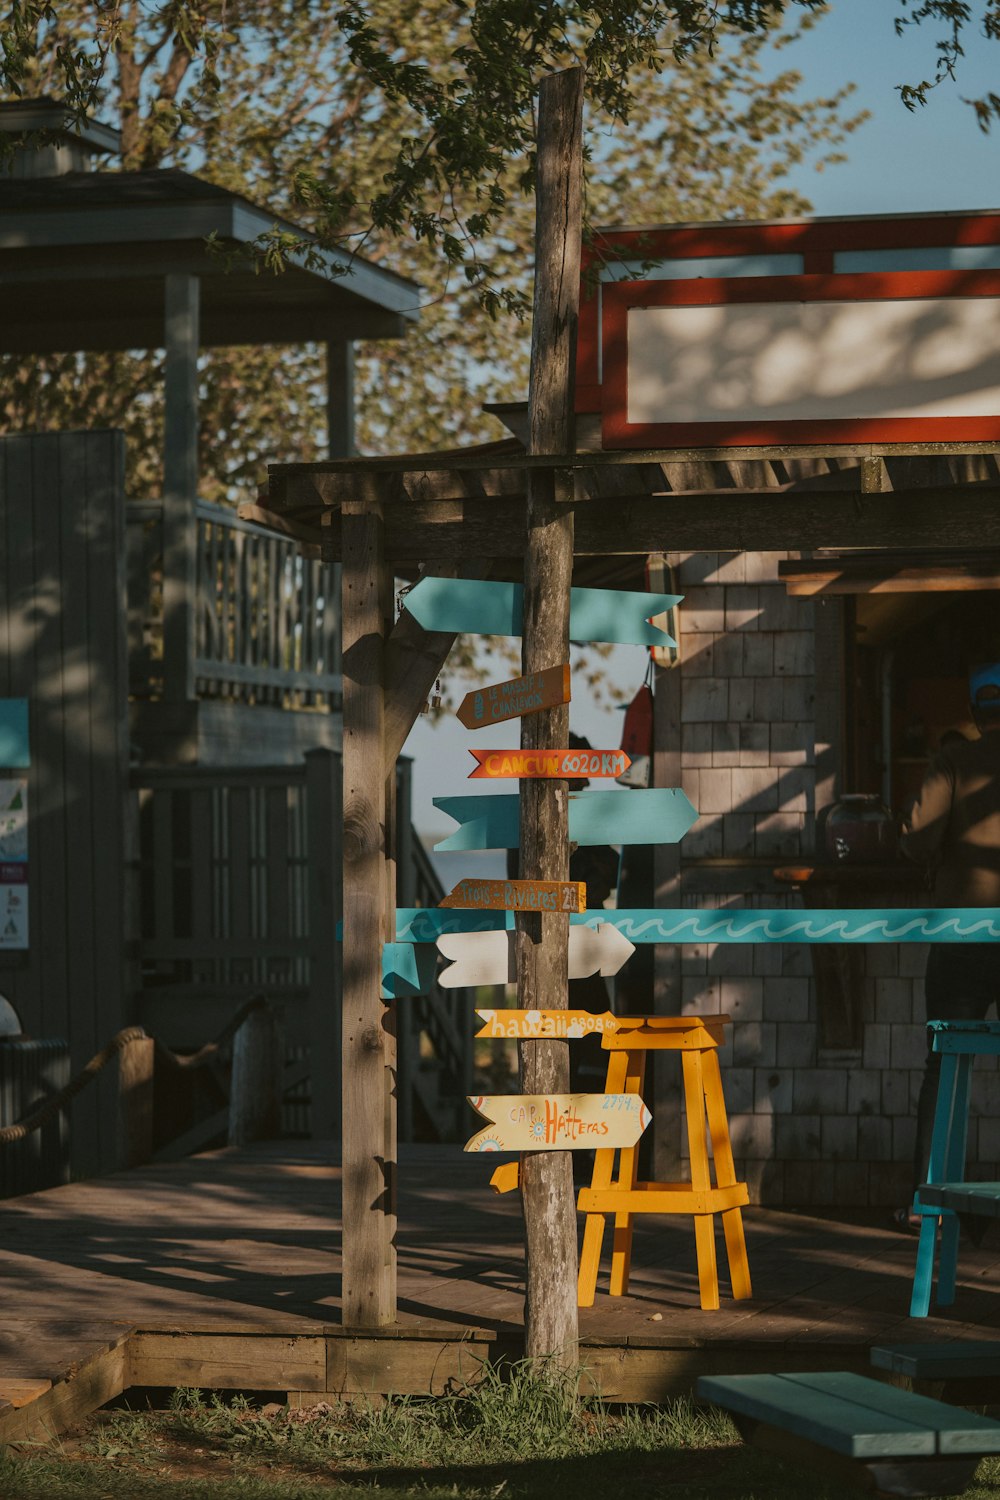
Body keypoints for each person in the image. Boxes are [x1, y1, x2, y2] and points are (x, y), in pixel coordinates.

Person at [897, 664, 1000, 1232]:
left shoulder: (955, 762)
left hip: (963, 933)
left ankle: (925, 1203)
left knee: (945, 1066)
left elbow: (915, 836)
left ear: (977, 711)